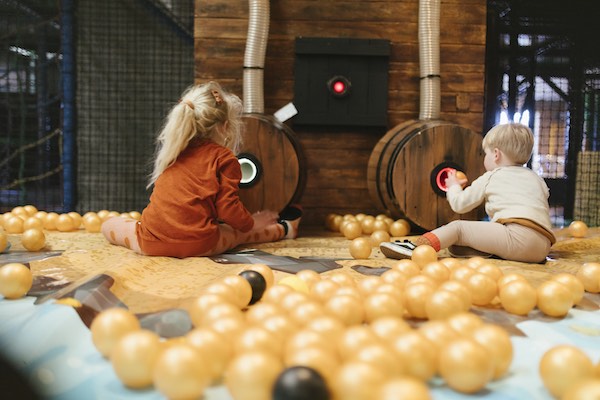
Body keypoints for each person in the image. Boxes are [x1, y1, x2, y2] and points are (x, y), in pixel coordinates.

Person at [102, 81, 301, 258]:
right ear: (224, 127)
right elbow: (228, 210)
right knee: (237, 233)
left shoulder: (174, 151)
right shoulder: (224, 158)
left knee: (110, 224)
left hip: (151, 244)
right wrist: (252, 222)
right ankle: (284, 229)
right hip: (200, 246)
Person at [380, 123, 556, 263]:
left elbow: (460, 204)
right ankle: (486, 252)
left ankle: (418, 247)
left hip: (516, 238)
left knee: (458, 228)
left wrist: (453, 186)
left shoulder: (491, 176)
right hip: (542, 247)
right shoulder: (536, 178)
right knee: (456, 246)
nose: (484, 158)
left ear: (496, 155)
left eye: (485, 154)